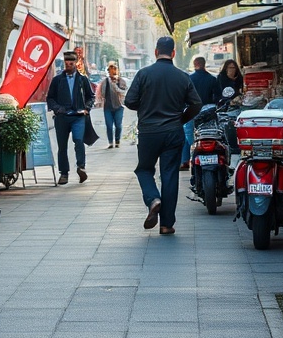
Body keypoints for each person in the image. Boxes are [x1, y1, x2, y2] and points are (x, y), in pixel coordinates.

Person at [124, 37, 202, 235]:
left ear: (156, 52)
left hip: (149, 132)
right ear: (173, 53)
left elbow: (130, 101)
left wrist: (146, 106)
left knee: (144, 170)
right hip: (173, 132)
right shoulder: (183, 77)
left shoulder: (143, 74)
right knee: (169, 175)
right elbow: (196, 104)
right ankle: (166, 224)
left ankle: (153, 199)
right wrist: (181, 119)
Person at [47, 50, 95, 185]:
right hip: (62, 117)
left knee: (79, 140)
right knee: (62, 146)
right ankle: (64, 173)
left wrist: (86, 108)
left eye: (71, 64)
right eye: (66, 64)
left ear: (76, 63)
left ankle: (81, 167)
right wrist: (57, 108)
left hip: (78, 116)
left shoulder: (82, 79)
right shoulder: (57, 80)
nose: (68, 66)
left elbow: (91, 96)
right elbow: (50, 98)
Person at [184, 57, 222, 171]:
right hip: (207, 111)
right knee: (207, 134)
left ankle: (188, 158)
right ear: (204, 64)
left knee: (188, 134)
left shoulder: (189, 78)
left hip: (191, 110)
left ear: (195, 64)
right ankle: (204, 152)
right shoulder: (212, 79)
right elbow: (218, 97)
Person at [95, 61, 127, 149]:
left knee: (118, 125)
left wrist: (115, 84)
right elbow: (102, 93)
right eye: (110, 70)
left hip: (119, 107)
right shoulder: (105, 82)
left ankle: (117, 140)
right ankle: (110, 142)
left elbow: (123, 92)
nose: (112, 72)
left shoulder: (121, 81)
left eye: (114, 70)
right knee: (109, 125)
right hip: (108, 107)